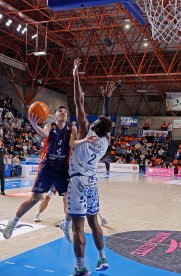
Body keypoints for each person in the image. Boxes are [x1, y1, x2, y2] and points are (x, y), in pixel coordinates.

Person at [66, 58, 115, 275]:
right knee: (94, 221)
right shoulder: (106, 142)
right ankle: (102, 258)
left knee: (78, 227)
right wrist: (106, 99)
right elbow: (107, 121)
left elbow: (78, 103)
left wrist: (76, 75)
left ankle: (80, 268)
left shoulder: (86, 130)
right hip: (92, 182)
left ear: (95, 125)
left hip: (77, 181)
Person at [2, 105, 77, 239]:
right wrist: (35, 125)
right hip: (47, 167)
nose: (63, 113)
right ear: (55, 115)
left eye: (65, 112)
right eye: (60, 111)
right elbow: (45, 134)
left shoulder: (72, 128)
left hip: (63, 170)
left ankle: (66, 225)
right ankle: (13, 222)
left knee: (71, 200)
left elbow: (72, 143)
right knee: (35, 198)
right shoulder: (50, 126)